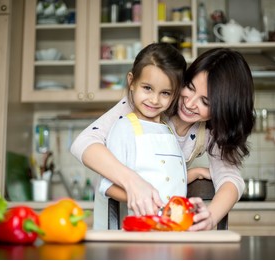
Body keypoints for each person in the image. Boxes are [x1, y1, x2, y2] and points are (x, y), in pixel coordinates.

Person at [71, 47, 255, 231]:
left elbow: (231, 179)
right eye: (189, 87)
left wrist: (210, 216)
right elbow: (84, 142)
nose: (189, 104)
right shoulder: (145, 105)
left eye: (205, 102)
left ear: (223, 109)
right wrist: (133, 182)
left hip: (160, 220)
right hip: (118, 213)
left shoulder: (209, 132)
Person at [92, 43, 207, 229]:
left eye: (165, 93)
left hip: (172, 228)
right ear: (131, 82)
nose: (154, 100)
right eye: (147, 88)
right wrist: (140, 198)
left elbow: (164, 176)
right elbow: (107, 186)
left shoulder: (167, 129)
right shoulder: (124, 128)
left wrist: (193, 174)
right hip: (140, 229)